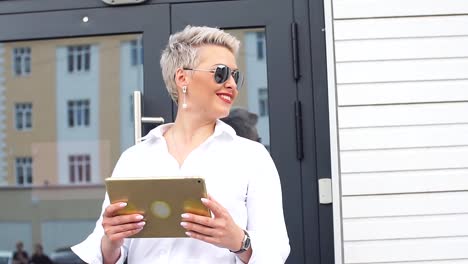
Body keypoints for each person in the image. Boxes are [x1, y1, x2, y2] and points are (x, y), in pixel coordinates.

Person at [72, 25, 290, 263]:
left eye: (235, 76)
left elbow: (274, 252)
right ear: (182, 77)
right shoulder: (135, 158)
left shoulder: (252, 157)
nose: (232, 84)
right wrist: (111, 241)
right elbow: (105, 253)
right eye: (221, 73)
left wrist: (239, 240)